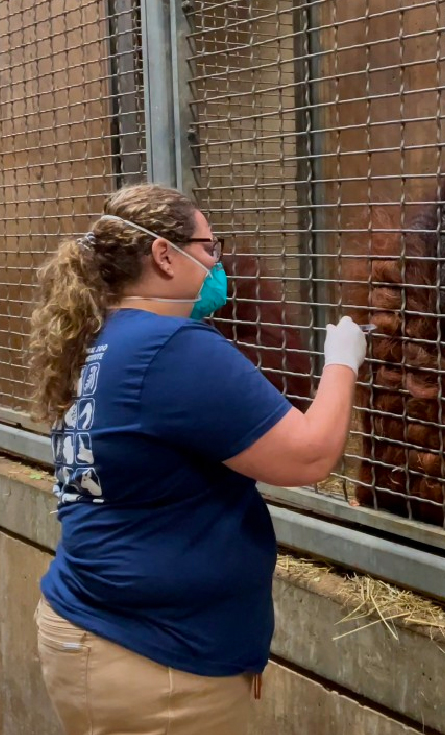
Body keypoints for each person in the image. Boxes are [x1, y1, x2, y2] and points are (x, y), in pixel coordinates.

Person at [26, 184, 367, 735]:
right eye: (209, 248)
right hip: (155, 658)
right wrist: (342, 362)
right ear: (165, 255)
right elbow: (308, 457)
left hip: (102, 628)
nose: (217, 262)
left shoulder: (98, 336)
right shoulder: (172, 347)